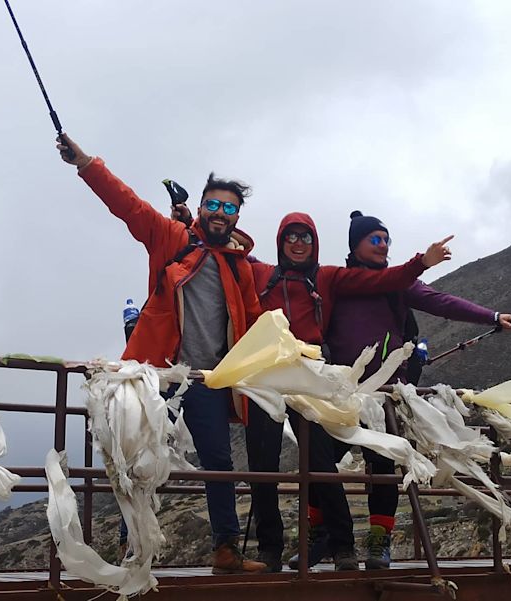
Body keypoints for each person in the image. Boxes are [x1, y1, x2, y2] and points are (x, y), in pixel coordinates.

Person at [57, 135, 266, 574]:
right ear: (203, 206)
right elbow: (129, 206)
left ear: (237, 216)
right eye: (214, 205)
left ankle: (226, 550)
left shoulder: (240, 266)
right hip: (157, 375)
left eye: (230, 208)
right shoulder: (173, 240)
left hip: (206, 379)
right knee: (140, 457)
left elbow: (252, 323)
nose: (221, 214)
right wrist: (85, 163)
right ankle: (130, 548)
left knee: (219, 463)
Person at [245, 212, 453, 573]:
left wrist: (492, 315)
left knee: (367, 462)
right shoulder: (280, 275)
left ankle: (363, 544)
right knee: (301, 460)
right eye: (291, 237)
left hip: (369, 390)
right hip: (312, 382)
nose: (298, 243)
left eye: (305, 237)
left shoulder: (332, 278)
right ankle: (306, 540)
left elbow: (426, 294)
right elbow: (232, 253)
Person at [319, 210, 511, 570]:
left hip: (387, 394)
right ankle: (321, 535)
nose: (383, 245)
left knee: (383, 466)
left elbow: (441, 302)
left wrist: (490, 316)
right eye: (375, 239)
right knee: (320, 462)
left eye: (386, 239)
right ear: (355, 244)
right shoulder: (340, 279)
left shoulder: (400, 283)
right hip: (340, 390)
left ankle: (378, 543)